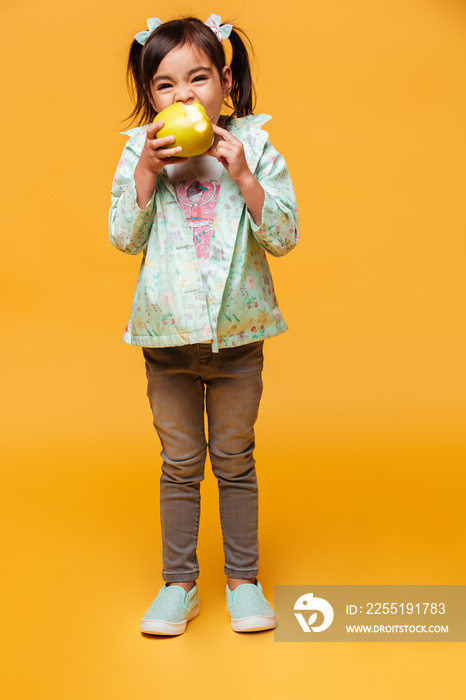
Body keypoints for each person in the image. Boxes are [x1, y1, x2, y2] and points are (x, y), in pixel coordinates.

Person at [109, 13, 298, 635]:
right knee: (180, 463)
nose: (183, 95)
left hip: (239, 341)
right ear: (150, 96)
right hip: (166, 341)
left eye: (198, 78)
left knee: (236, 461)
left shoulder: (256, 148)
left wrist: (243, 174)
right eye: (165, 85)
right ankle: (179, 585)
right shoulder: (142, 151)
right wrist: (145, 172)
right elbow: (122, 237)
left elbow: (285, 237)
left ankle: (244, 581)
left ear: (226, 83)